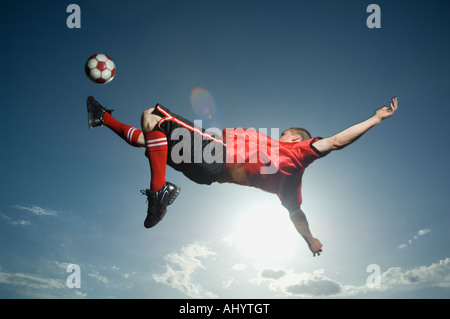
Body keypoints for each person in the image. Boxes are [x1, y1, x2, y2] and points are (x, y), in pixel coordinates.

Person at [87, 96, 398, 256]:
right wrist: (309, 239)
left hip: (216, 153)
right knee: (150, 134)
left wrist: (375, 119)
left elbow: (335, 141)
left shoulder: (299, 152)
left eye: (288, 132)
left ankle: (158, 194)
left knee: (152, 117)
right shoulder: (287, 185)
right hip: (207, 172)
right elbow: (295, 212)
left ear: (297, 138)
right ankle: (103, 118)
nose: (283, 133)